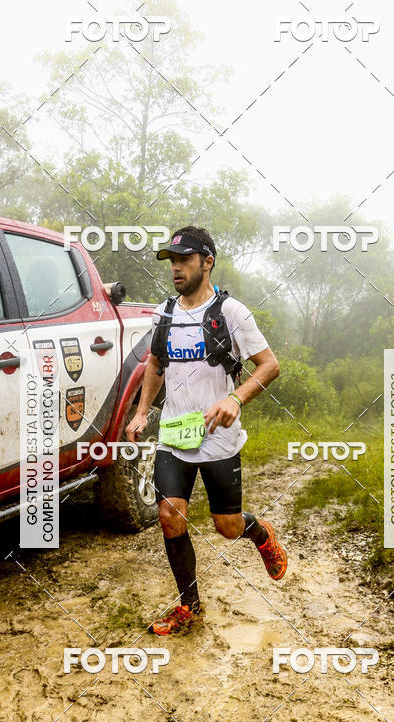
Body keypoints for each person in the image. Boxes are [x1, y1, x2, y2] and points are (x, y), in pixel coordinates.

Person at [126, 226, 287, 635]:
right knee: (170, 515)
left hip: (218, 436)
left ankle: (260, 532)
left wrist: (236, 398)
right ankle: (190, 606)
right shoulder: (164, 313)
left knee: (226, 526)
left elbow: (269, 365)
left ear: (207, 262)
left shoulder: (231, 313)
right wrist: (142, 413)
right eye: (172, 261)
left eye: (184, 260)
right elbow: (155, 364)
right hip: (174, 433)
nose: (176, 268)